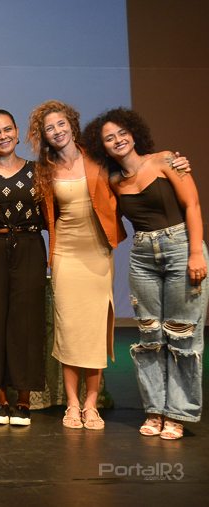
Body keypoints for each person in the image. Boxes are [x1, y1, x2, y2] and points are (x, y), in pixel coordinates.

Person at [82, 108, 207, 440]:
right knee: (150, 335)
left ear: (134, 133)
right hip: (143, 256)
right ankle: (155, 410)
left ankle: (177, 414)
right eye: (109, 138)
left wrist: (196, 252)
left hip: (180, 247)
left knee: (182, 334)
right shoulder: (114, 181)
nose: (118, 140)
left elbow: (192, 206)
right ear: (102, 147)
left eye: (122, 133)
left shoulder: (166, 160)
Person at [27, 100, 126, 431]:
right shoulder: (44, 170)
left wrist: (171, 160)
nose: (57, 131)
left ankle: (91, 404)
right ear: (44, 136)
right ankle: (72, 403)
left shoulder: (98, 158)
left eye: (61, 124)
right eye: (49, 128)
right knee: (69, 329)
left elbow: (133, 168)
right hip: (66, 255)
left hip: (97, 253)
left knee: (94, 329)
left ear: (72, 124)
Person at [0, 109, 46, 426]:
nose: (2, 136)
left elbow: (51, 214)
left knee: (26, 322)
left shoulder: (37, 171)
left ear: (17, 133)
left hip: (29, 247)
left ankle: (24, 400)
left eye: (7, 130)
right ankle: (1, 401)